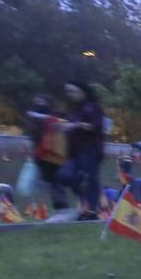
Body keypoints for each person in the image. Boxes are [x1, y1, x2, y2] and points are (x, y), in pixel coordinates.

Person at [56, 81, 105, 220]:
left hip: (90, 149)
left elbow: (95, 126)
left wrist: (76, 125)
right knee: (64, 175)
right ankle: (82, 193)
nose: (70, 94)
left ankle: (91, 211)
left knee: (91, 178)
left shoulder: (93, 107)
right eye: (68, 92)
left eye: (73, 91)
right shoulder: (74, 110)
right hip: (72, 151)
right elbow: (68, 124)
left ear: (83, 92)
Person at [25, 94, 70, 213]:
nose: (39, 103)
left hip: (52, 152)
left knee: (54, 180)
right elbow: (32, 135)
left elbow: (63, 123)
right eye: (37, 100)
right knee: (51, 182)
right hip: (40, 153)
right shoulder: (33, 117)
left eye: (42, 100)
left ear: (48, 102)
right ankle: (59, 206)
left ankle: (61, 207)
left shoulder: (53, 115)